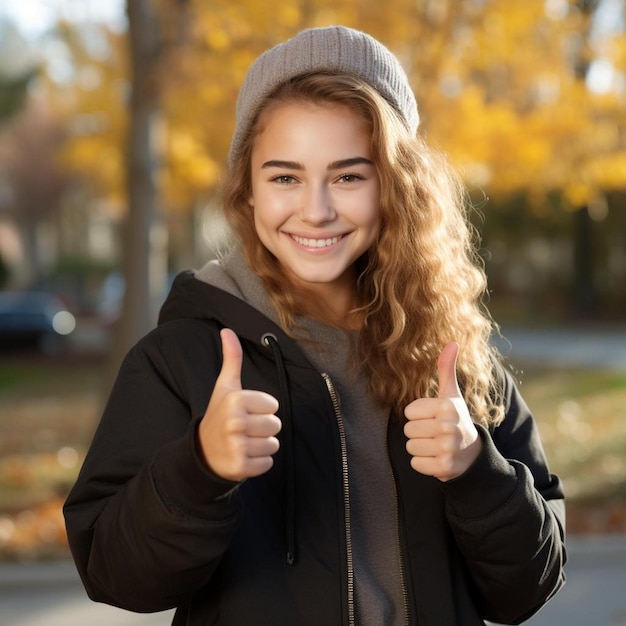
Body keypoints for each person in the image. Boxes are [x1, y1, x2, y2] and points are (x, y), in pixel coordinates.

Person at [64, 25, 566, 626]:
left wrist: (475, 470)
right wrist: (199, 468)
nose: (317, 208)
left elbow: (528, 588)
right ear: (247, 191)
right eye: (285, 177)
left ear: (396, 186)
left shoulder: (450, 354)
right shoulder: (182, 356)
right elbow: (114, 574)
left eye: (349, 176)